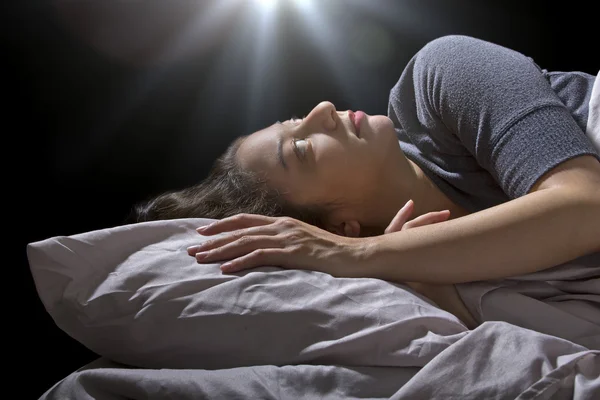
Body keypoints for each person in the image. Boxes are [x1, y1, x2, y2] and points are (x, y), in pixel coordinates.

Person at [131, 35, 599, 326]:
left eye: (295, 119)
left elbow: (585, 207)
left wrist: (357, 255)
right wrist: (429, 288)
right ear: (337, 225)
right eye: (301, 148)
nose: (322, 112)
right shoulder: (419, 281)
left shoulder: (443, 75)